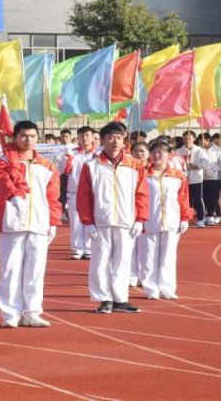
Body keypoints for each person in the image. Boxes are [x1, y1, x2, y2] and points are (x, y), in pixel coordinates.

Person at [0, 120, 61, 328]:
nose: (28, 140)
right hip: (12, 222)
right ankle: (10, 314)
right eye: (23, 136)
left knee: (35, 270)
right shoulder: (2, 162)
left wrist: (53, 221)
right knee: (11, 269)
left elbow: (53, 196)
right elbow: (2, 184)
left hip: (39, 222)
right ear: (15, 137)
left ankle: (32, 311)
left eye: (32, 136)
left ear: (37, 137)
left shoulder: (47, 166)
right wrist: (14, 198)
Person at [77, 122, 149, 314]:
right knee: (100, 261)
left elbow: (141, 193)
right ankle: (104, 299)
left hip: (126, 220)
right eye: (110, 137)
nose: (115, 141)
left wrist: (140, 218)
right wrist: (87, 222)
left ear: (124, 138)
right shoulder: (91, 166)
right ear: (102, 140)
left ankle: (120, 299)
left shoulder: (135, 165)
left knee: (123, 260)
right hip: (101, 221)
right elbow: (83, 196)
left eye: (118, 137)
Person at [139, 141, 191, 300]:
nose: (157, 155)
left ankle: (167, 288)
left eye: (161, 152)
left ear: (169, 155)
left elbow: (183, 198)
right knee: (148, 257)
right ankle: (151, 289)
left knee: (168, 257)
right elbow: (138, 197)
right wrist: (139, 218)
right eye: (154, 152)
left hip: (172, 221)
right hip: (149, 221)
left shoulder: (178, 175)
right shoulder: (142, 174)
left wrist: (185, 217)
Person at [61, 126, 99, 260]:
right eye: (82, 136)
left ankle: (88, 248)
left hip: (93, 193)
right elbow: (64, 171)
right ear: (78, 138)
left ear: (92, 137)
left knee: (90, 221)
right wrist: (67, 158)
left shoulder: (98, 154)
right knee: (76, 222)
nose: (84, 138)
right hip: (74, 192)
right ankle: (77, 248)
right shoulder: (72, 154)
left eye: (87, 135)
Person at [176, 131, 208, 228]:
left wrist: (194, 166)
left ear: (193, 139)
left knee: (198, 199)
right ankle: (184, 218)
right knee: (184, 200)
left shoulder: (200, 151)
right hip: (183, 180)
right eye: (185, 138)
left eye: (189, 138)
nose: (187, 140)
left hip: (196, 179)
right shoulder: (178, 152)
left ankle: (201, 219)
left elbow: (205, 164)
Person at [129, 141, 150, 287]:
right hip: (131, 212)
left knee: (147, 249)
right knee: (131, 247)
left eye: (143, 151)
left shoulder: (155, 170)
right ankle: (131, 276)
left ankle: (145, 276)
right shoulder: (127, 169)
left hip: (150, 213)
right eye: (136, 151)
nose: (139, 154)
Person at [201, 133, 221, 225]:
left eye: (202, 140)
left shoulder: (218, 150)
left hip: (213, 178)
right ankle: (204, 215)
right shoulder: (199, 150)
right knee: (203, 198)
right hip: (200, 177)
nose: (200, 142)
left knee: (212, 197)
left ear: (208, 140)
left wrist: (214, 168)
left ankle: (211, 215)